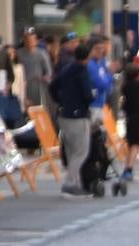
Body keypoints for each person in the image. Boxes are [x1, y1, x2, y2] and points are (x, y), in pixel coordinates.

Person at [50, 41, 93, 196]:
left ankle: (76, 182)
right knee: (81, 151)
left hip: (63, 114)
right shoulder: (82, 71)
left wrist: (60, 100)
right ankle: (69, 182)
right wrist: (88, 100)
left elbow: (52, 86)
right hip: (78, 115)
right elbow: (87, 94)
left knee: (70, 150)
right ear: (88, 57)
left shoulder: (66, 69)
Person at [120, 62, 139, 179]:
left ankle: (126, 167)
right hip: (138, 118)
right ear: (137, 75)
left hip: (129, 118)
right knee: (136, 145)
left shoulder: (125, 86)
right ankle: (129, 169)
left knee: (130, 144)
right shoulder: (138, 85)